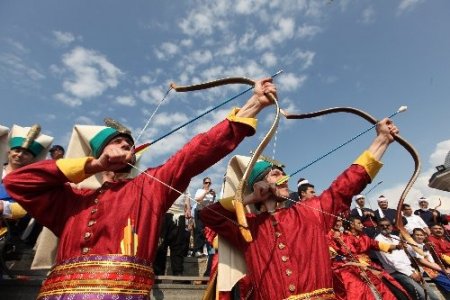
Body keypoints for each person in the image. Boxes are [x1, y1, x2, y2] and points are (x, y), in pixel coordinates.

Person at [3, 78, 276, 299]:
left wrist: (253, 105)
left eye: (128, 145)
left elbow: (195, 154)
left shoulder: (149, 186)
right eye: (118, 143)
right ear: (99, 152)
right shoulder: (72, 199)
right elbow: (16, 181)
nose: (125, 146)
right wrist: (93, 166)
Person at [200, 117, 399, 299]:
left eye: (283, 175)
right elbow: (208, 215)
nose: (285, 179)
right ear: (259, 185)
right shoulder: (247, 228)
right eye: (276, 174)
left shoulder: (311, 210)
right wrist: (249, 198)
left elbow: (347, 185)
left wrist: (381, 141)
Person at [329, 216, 410, 300]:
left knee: (391, 286)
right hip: (357, 267)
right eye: (359, 223)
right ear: (352, 225)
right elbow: (351, 256)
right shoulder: (345, 238)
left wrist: (397, 246)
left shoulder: (364, 237)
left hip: (369, 265)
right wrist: (364, 269)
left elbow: (377, 244)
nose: (361, 225)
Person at [375, 218, 440, 300]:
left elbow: (411, 249)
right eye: (382, 226)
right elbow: (392, 262)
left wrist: (424, 247)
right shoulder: (378, 240)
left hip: (409, 269)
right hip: (397, 272)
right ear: (378, 227)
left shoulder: (395, 237)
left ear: (391, 227)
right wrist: (410, 273)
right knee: (423, 296)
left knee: (433, 296)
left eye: (387, 225)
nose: (385, 227)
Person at [154, 191, 191, 277]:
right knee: (161, 246)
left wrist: (188, 209)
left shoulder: (185, 184)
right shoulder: (167, 179)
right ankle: (158, 273)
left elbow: (187, 197)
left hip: (180, 215)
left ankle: (178, 273)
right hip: (166, 213)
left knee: (178, 246)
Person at [409, 228, 450, 294]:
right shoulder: (411, 246)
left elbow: (432, 261)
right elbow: (422, 261)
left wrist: (443, 269)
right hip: (423, 269)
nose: (420, 237)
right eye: (417, 235)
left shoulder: (424, 245)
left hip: (432, 267)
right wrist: (442, 270)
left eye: (421, 235)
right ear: (412, 236)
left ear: (425, 236)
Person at [193, 177, 216, 257]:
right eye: (206, 183)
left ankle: (206, 250)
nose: (208, 184)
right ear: (203, 183)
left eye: (209, 183)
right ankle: (197, 250)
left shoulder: (211, 193)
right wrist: (206, 192)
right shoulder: (200, 191)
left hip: (206, 213)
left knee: (207, 231)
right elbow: (197, 200)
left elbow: (211, 204)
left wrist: (214, 196)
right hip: (199, 212)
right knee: (199, 231)